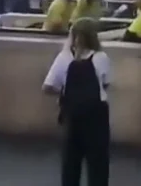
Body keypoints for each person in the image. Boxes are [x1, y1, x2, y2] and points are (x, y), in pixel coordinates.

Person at [42, 18, 112, 186]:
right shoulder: (101, 57)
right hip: (97, 116)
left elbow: (47, 87)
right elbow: (106, 83)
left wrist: (67, 92)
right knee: (98, 164)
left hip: (72, 115)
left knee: (71, 163)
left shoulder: (64, 57)